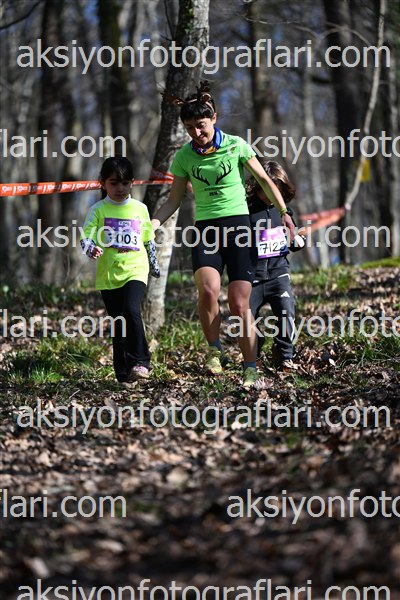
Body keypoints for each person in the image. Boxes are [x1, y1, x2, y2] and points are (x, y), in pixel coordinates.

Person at [151, 81, 295, 388]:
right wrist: (153, 223)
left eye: (200, 125)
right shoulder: (184, 157)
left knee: (239, 304)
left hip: (239, 230)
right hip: (206, 231)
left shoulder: (236, 145)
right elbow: (174, 200)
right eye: (189, 128)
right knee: (207, 290)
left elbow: (265, 181)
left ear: (213, 118)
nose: (196, 133)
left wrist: (285, 212)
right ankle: (214, 350)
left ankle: (250, 366)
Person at [80, 156, 160, 383]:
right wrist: (91, 248)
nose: (120, 188)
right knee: (118, 321)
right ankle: (122, 371)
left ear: (132, 183)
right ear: (103, 183)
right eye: (114, 183)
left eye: (125, 183)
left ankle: (141, 362)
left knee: (131, 310)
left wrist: (153, 264)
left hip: (136, 268)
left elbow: (148, 239)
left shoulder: (140, 209)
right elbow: (85, 237)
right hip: (109, 274)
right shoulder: (97, 210)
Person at [246, 159, 305, 371]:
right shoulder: (246, 209)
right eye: (266, 189)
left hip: (278, 274)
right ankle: (256, 349)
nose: (270, 194)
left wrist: (297, 240)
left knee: (286, 312)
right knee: (247, 318)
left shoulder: (285, 213)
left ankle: (285, 354)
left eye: (276, 190)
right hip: (252, 277)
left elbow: (293, 240)